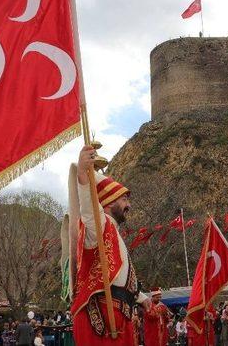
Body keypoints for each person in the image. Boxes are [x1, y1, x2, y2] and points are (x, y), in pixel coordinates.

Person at [65, 146, 151, 345]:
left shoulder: (114, 233)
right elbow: (89, 210)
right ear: (109, 202)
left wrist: (143, 298)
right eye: (123, 199)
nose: (128, 205)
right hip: (102, 315)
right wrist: (83, 177)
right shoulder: (99, 224)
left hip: (120, 314)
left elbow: (119, 278)